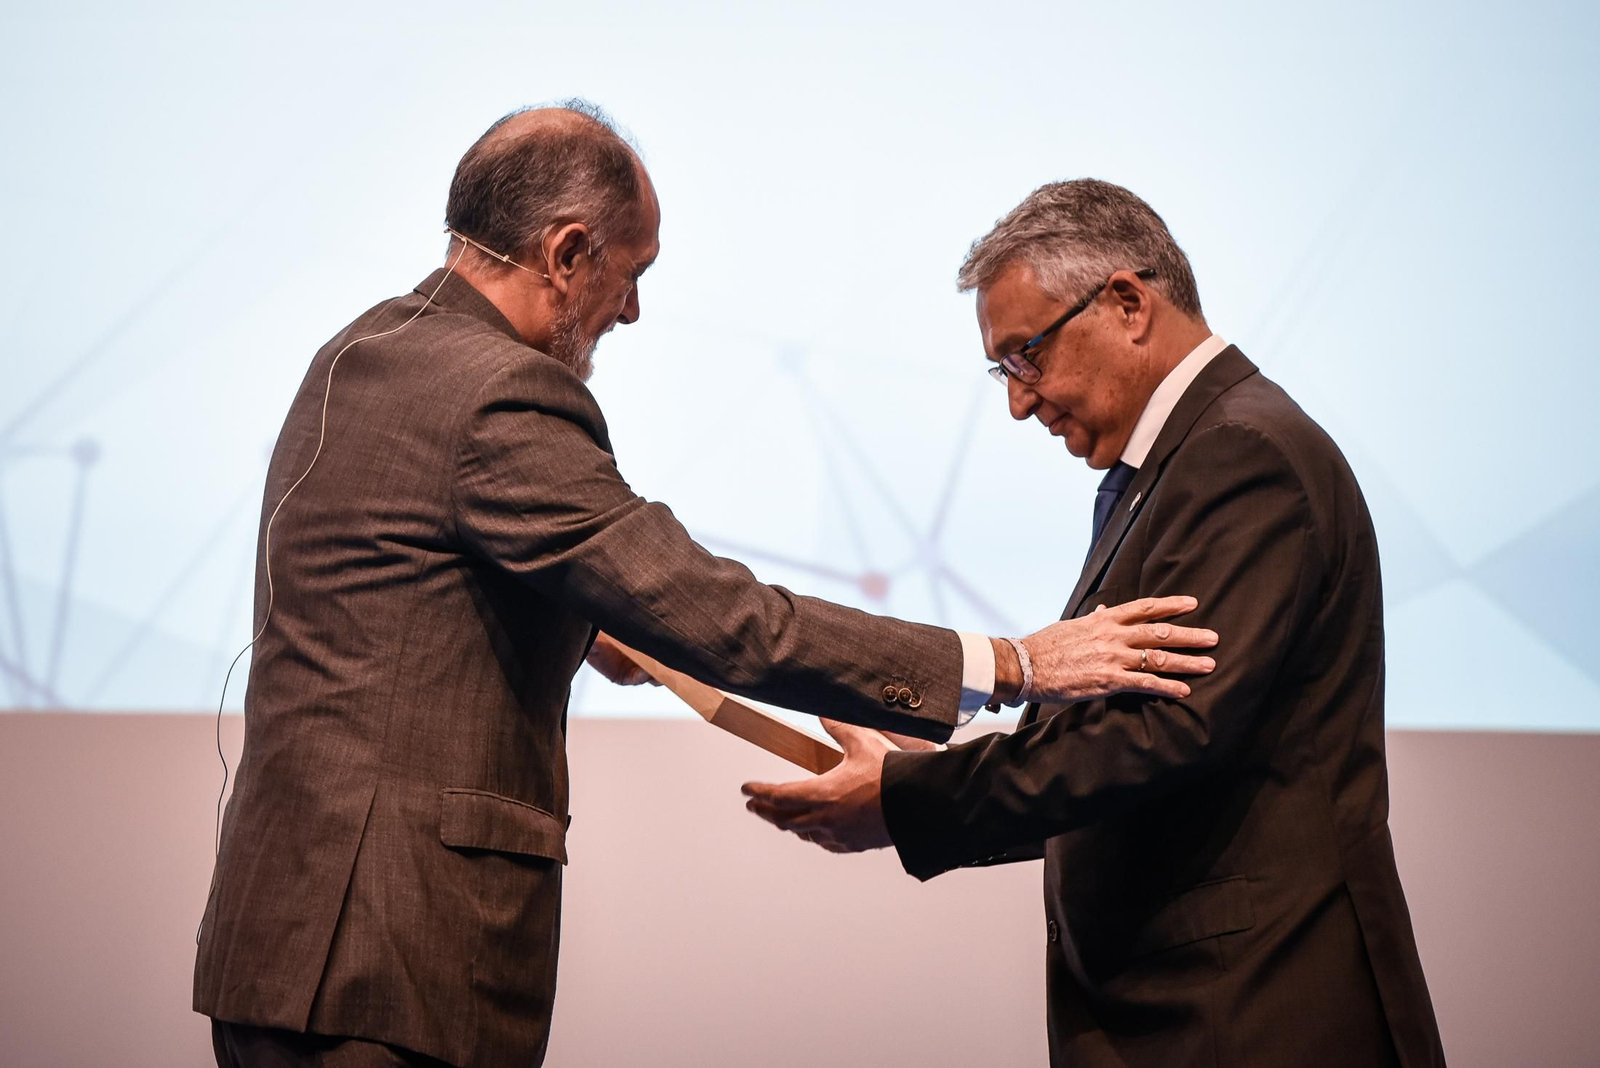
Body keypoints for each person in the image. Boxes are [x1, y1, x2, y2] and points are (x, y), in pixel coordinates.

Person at [193, 107, 1218, 1068]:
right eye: (630, 273)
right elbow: (717, 613)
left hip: (285, 942)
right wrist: (1013, 663)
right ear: (566, 254)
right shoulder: (500, 391)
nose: (632, 309)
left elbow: (414, 587)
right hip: (390, 959)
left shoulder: (368, 347)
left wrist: (580, 620)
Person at [745, 179, 1447, 1067]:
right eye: (1003, 371)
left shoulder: (1242, 454)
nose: (1018, 401)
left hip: (1254, 1014)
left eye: (1026, 356)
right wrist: (923, 785)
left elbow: (1158, 736)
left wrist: (909, 798)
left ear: (1126, 303)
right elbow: (1120, 758)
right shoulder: (1167, 469)